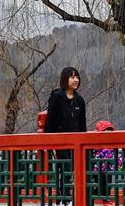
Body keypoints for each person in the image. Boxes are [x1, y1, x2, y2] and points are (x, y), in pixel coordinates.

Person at [44, 67, 87, 206]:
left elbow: (82, 125)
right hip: (60, 141)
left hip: (76, 143)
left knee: (75, 170)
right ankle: (63, 200)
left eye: (77, 77)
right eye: (72, 77)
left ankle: (70, 198)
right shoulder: (57, 98)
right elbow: (50, 122)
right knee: (65, 169)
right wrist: (50, 143)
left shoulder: (79, 100)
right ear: (65, 79)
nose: (75, 80)